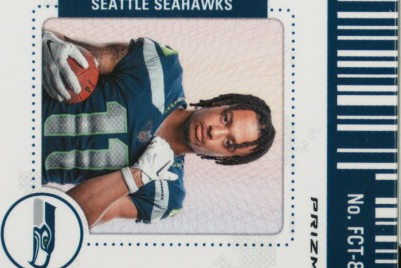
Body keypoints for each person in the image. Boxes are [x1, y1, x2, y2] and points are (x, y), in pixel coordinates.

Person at [42, 27, 276, 228]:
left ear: (225, 158)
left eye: (229, 143)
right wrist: (47, 44)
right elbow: (68, 49)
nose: (215, 132)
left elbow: (67, 219)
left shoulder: (167, 195)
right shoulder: (162, 67)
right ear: (220, 103)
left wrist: (134, 177)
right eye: (226, 119)